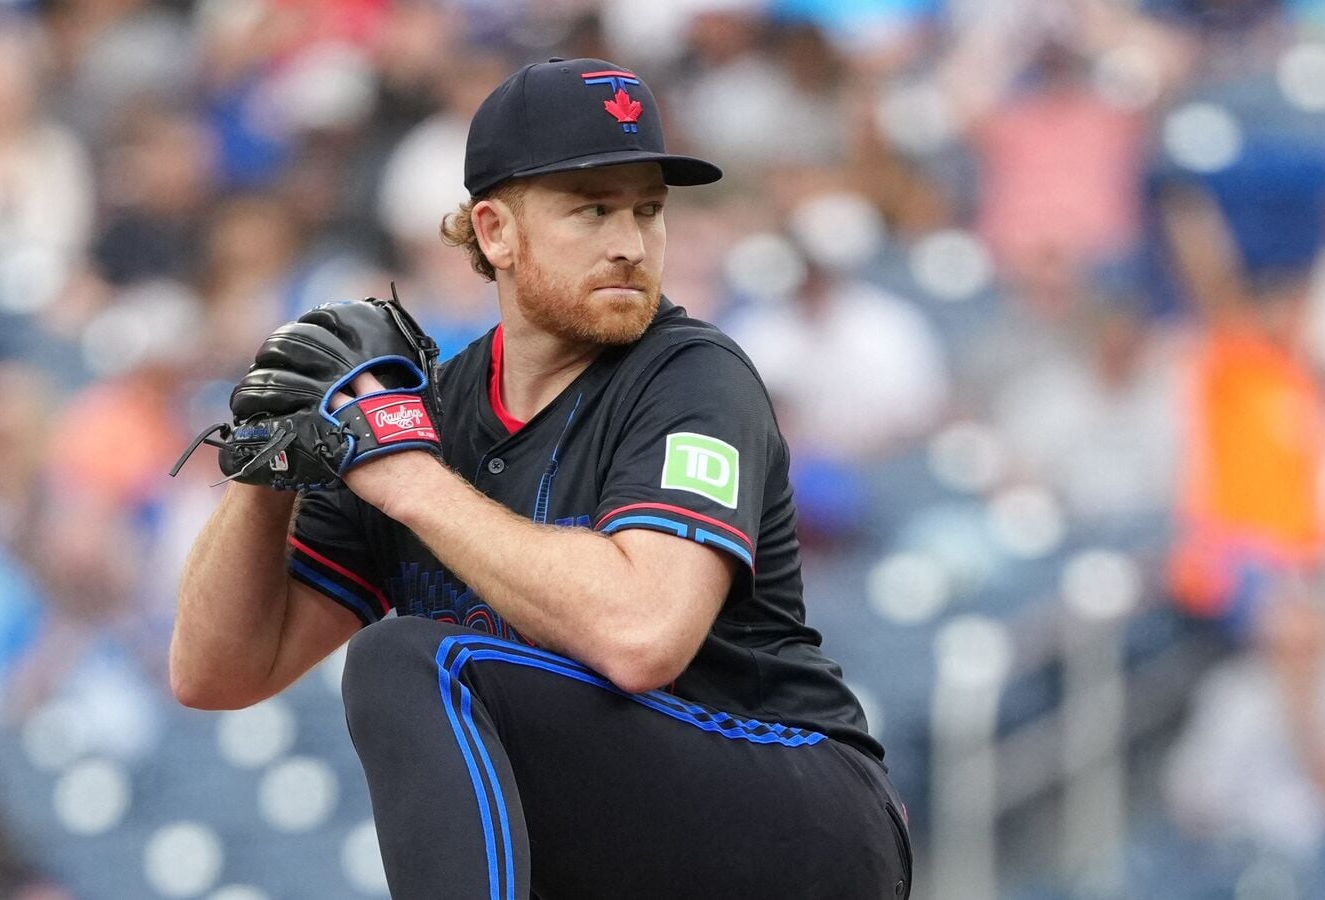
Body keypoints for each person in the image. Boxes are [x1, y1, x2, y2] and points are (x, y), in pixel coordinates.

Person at [171, 57, 910, 899]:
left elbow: (642, 637)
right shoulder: (430, 420)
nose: (630, 243)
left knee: (406, 660)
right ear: (494, 232)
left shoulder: (692, 374)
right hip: (623, 838)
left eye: (648, 210)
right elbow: (215, 674)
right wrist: (263, 475)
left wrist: (409, 480)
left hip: (792, 810)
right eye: (592, 209)